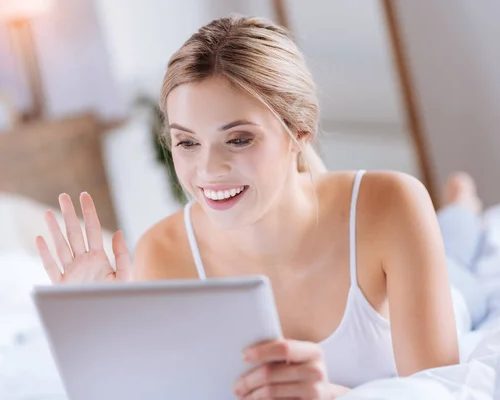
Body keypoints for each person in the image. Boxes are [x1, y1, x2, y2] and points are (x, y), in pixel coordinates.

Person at [35, 15, 466, 398]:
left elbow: (445, 388)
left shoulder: (391, 203)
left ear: (299, 131)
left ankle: (462, 207)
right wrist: (105, 345)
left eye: (238, 139)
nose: (208, 170)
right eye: (187, 142)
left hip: (446, 290)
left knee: (465, 261)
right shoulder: (163, 253)